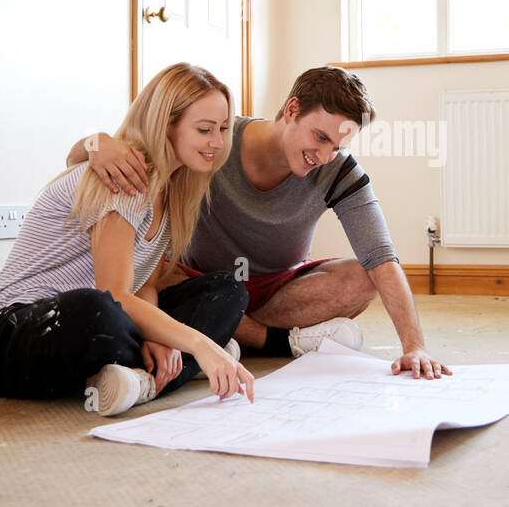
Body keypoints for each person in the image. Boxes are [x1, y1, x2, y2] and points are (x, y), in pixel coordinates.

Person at [67, 66, 451, 380]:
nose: (324, 154)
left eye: (337, 145)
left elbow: (381, 256)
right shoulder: (215, 140)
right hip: (196, 280)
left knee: (364, 277)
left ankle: (227, 334)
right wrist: (96, 144)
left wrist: (414, 345)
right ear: (292, 110)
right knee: (158, 272)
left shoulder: (337, 170)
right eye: (319, 136)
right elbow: (99, 158)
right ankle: (275, 342)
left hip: (278, 287)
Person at [0, 62, 255, 417]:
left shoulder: (173, 193)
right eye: (204, 129)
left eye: (224, 128)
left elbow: (145, 286)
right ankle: (184, 366)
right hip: (13, 338)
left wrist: (160, 334)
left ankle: (139, 382)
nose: (217, 142)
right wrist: (198, 343)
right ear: (166, 125)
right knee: (101, 309)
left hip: (104, 316)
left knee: (228, 290)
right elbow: (117, 295)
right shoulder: (125, 178)